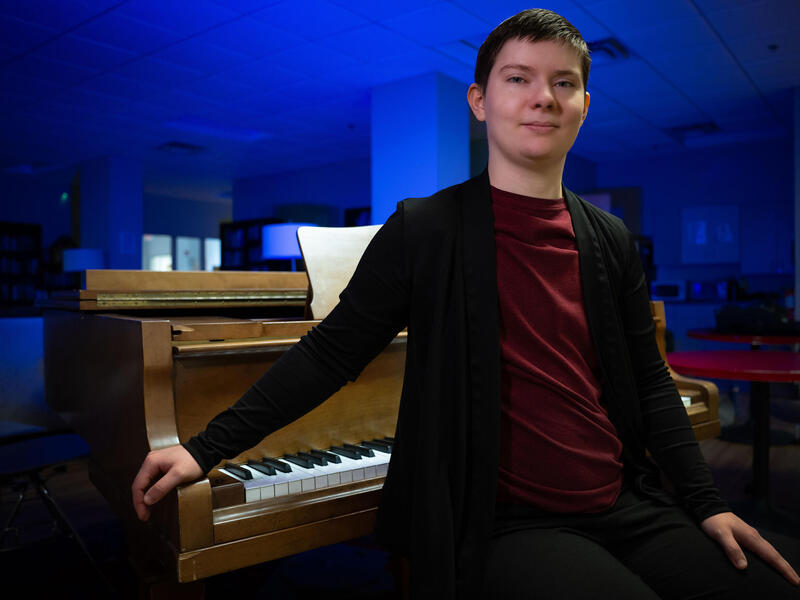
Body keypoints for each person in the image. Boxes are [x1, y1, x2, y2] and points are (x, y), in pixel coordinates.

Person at [132, 8, 800, 599]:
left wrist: (707, 505)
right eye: (519, 78)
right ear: (480, 101)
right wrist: (203, 448)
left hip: (626, 502)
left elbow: (650, 381)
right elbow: (329, 354)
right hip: (504, 522)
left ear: (584, 105)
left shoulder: (612, 239)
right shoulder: (425, 229)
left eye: (563, 82)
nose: (543, 97)